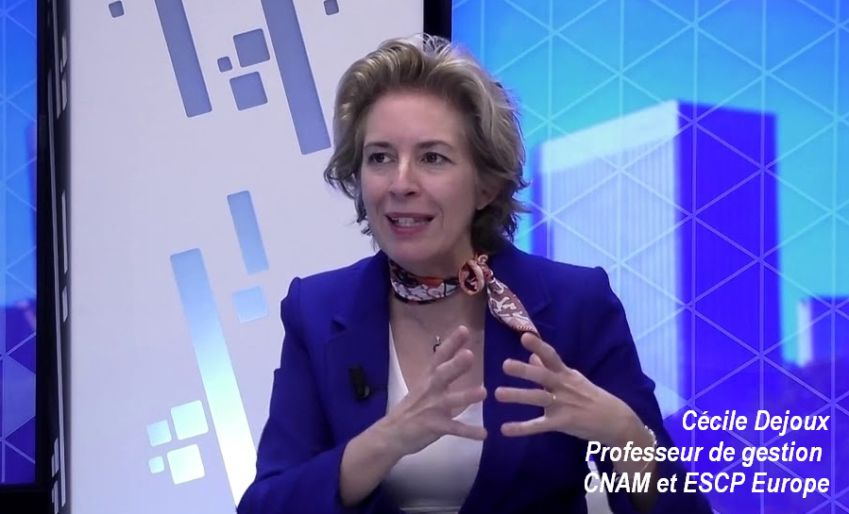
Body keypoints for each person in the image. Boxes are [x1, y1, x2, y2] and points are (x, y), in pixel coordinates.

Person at [237, 34, 712, 514]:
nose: (401, 183)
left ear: (486, 185)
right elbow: (264, 506)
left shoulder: (575, 305)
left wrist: (625, 433)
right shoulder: (317, 311)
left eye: (432, 158)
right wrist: (386, 441)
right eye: (380, 157)